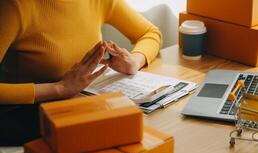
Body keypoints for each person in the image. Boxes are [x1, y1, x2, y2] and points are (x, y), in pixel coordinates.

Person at [0, 0, 162, 145]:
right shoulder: (15, 7)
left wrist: (135, 61)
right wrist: (59, 88)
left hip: (82, 107)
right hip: (26, 118)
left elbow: (149, 33)